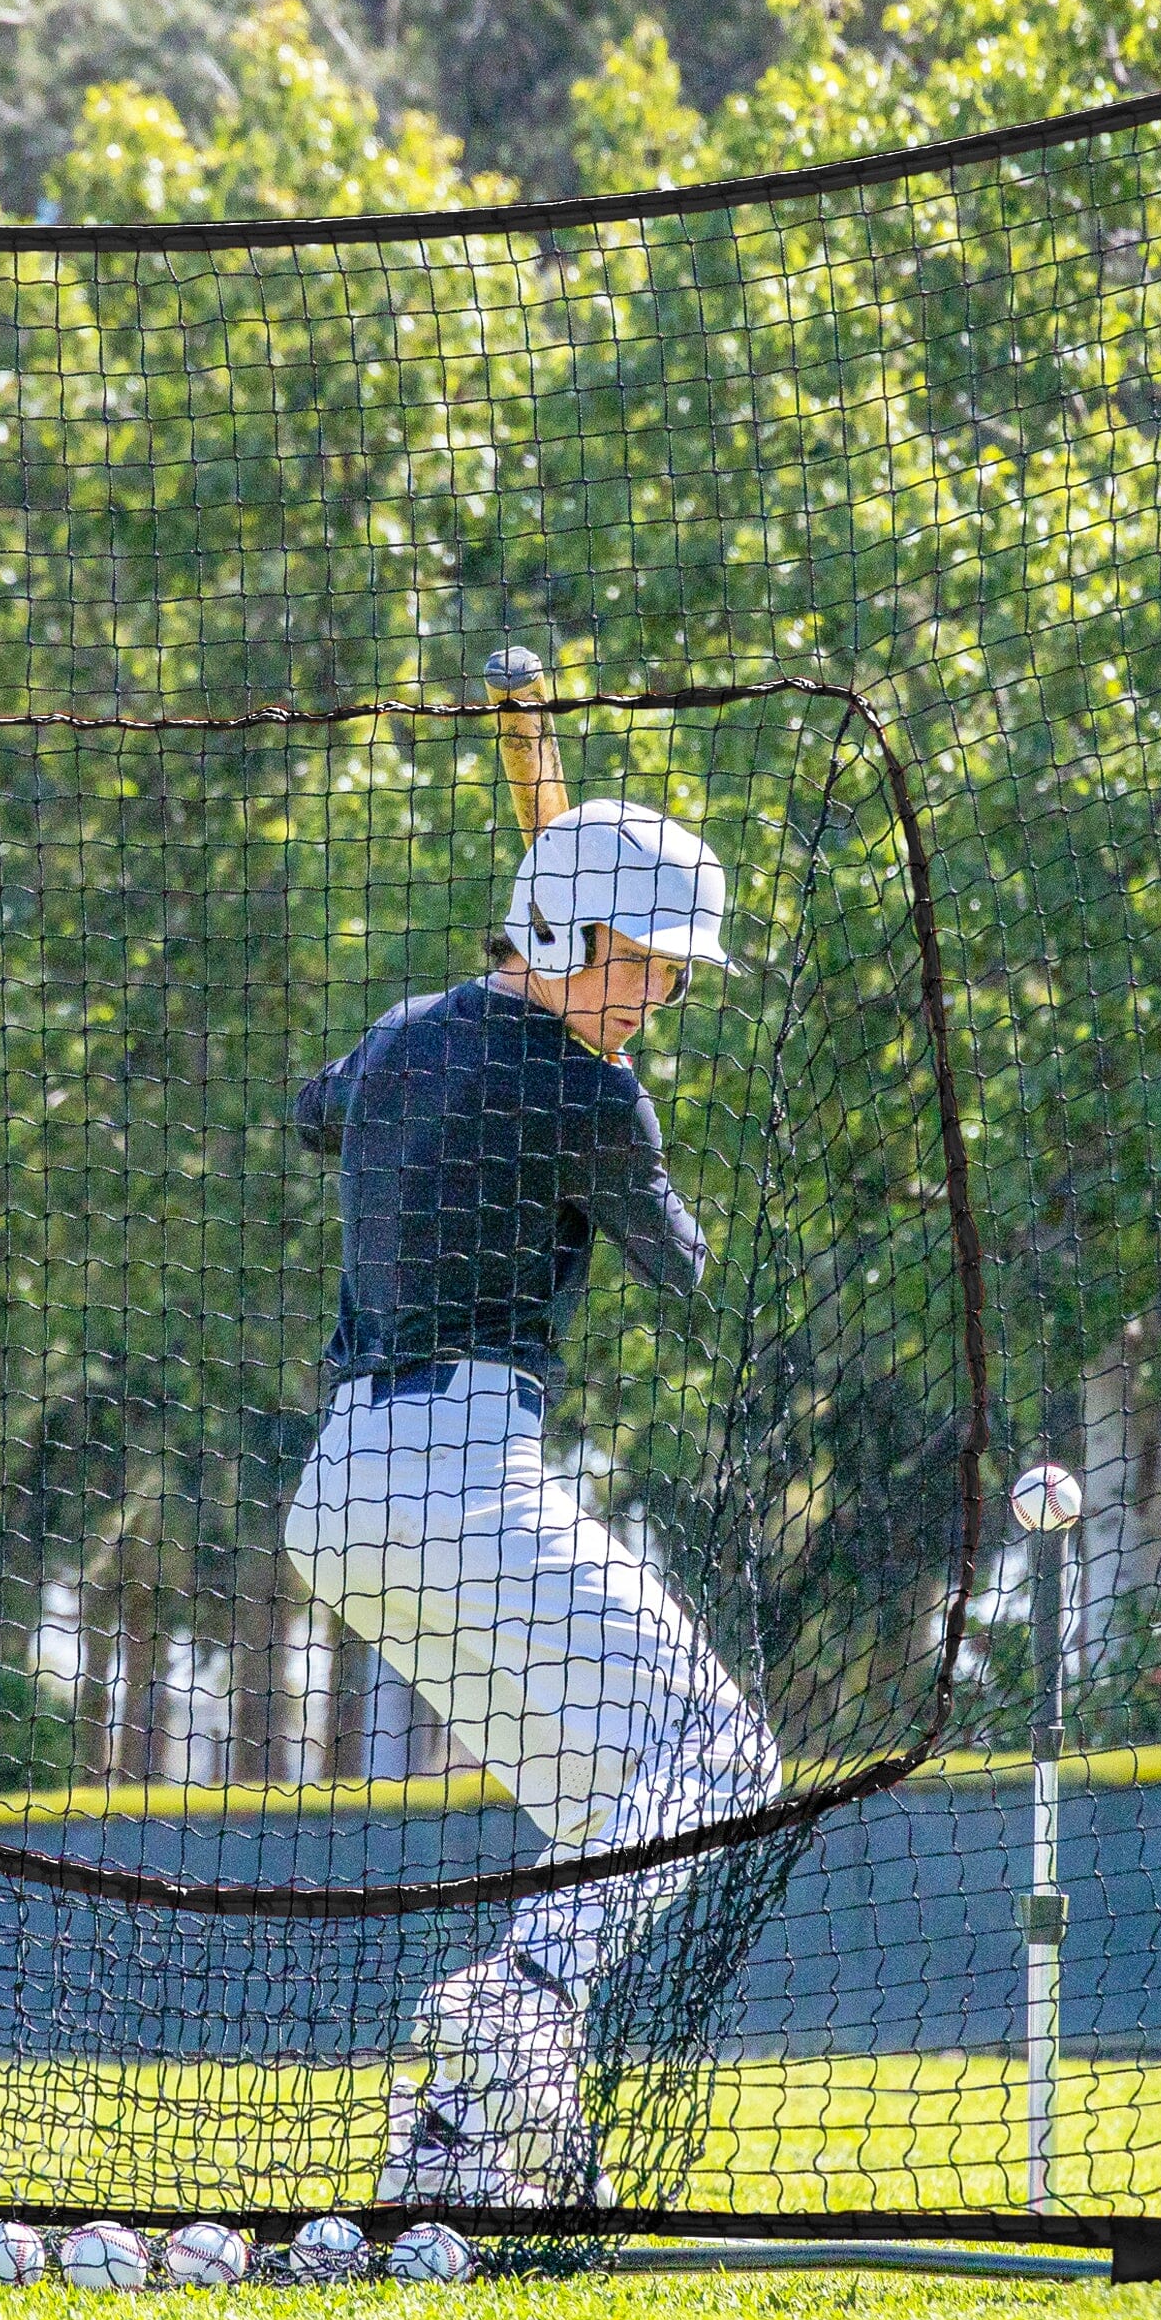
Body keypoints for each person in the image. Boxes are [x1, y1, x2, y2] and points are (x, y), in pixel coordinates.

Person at [282, 749, 782, 2209]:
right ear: (557, 930)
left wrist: (457, 1037)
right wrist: (612, 1098)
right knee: (729, 1764)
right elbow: (681, 1266)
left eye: (668, 979)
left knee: (610, 1816)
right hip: (461, 1474)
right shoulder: (595, 1093)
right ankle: (517, 1999)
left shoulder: (398, 1038)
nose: (648, 1001)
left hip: (342, 1502)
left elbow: (317, 1112)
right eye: (631, 964)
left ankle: (447, 2157)